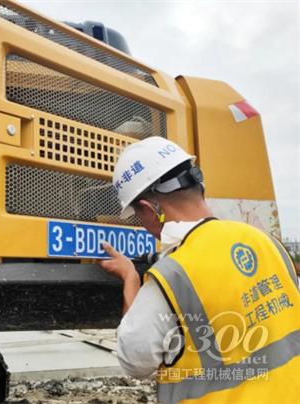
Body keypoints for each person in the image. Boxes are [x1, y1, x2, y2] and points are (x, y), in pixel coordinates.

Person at [98, 136, 300, 402]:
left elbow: (135, 361)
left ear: (151, 208)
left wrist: (131, 280)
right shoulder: (267, 242)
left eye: (138, 214)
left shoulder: (172, 276)